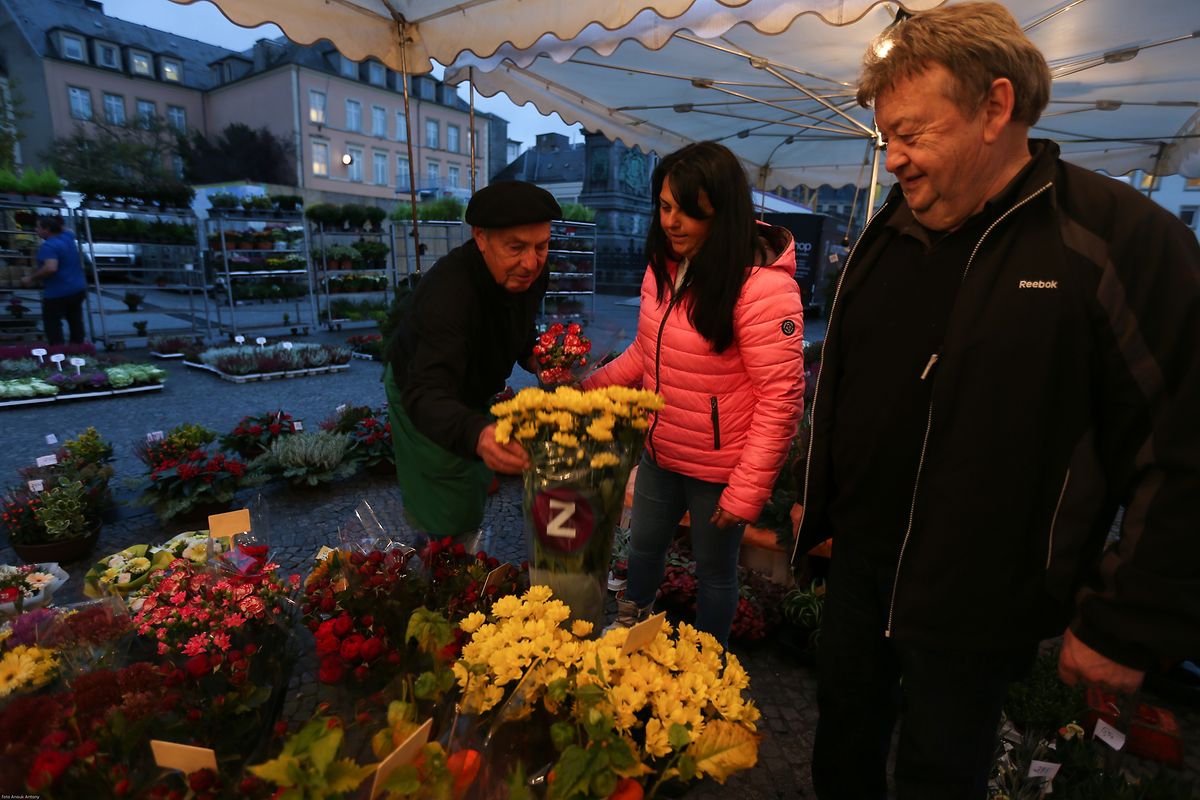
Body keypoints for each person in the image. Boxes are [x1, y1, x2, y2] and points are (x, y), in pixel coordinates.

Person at [790, 4, 1200, 798]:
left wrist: (1129, 619)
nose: (895, 158)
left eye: (912, 133)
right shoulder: (889, 231)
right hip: (860, 573)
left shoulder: (1117, 240)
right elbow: (849, 386)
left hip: (981, 596)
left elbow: (1182, 442)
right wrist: (823, 512)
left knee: (942, 768)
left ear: (996, 107)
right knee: (841, 743)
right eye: (887, 139)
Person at [584, 141, 805, 645]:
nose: (671, 221)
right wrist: (584, 391)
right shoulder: (664, 267)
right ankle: (628, 629)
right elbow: (645, 353)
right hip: (663, 450)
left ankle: (708, 664)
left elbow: (781, 399)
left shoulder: (762, 288)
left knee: (715, 571)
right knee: (641, 548)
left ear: (722, 210)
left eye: (689, 210)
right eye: (664, 206)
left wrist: (746, 489)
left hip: (719, 468)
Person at [384, 181, 561, 540]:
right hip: (425, 393)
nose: (531, 263)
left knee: (472, 480)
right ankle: (436, 565)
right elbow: (426, 391)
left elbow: (520, 327)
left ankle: (462, 551)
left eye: (541, 247)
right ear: (480, 237)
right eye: (516, 248)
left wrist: (538, 358)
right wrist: (479, 434)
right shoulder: (448, 294)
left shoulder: (533, 272)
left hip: (472, 389)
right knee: (444, 496)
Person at [21, 215, 87, 344]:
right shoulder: (67, 237)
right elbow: (70, 231)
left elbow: (51, 268)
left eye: (38, 227)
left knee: (53, 325)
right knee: (75, 322)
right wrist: (57, 225)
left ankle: (58, 355)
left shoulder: (49, 246)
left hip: (57, 292)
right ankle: (79, 352)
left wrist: (31, 278)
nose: (36, 230)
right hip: (77, 288)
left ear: (47, 230)